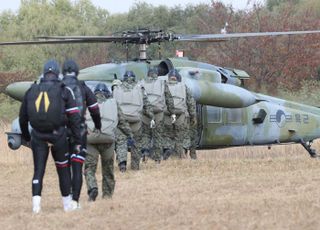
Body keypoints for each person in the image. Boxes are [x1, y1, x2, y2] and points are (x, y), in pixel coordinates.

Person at [19, 60, 82, 213]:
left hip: (38, 136)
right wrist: (77, 138)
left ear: (44, 73)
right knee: (63, 168)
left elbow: (23, 117)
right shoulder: (64, 90)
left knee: (38, 170)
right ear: (57, 74)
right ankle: (67, 205)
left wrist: (27, 137)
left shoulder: (31, 90)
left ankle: (36, 206)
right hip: (58, 135)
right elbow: (74, 117)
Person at [62, 59, 101, 209]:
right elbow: (95, 109)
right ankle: (75, 201)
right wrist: (98, 125)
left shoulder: (59, 87)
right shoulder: (82, 87)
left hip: (62, 132)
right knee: (77, 166)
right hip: (79, 131)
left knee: (64, 166)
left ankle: (67, 199)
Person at [84, 83, 133, 201]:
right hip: (108, 140)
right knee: (108, 169)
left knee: (89, 168)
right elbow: (122, 122)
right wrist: (130, 136)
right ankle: (107, 195)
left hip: (90, 140)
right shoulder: (113, 103)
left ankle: (92, 187)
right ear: (107, 94)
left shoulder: (86, 103)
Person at [113, 70, 154, 171]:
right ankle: (135, 166)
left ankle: (122, 164)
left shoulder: (117, 88)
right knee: (137, 142)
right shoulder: (139, 88)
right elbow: (146, 105)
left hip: (121, 120)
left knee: (121, 141)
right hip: (136, 120)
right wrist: (151, 117)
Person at [140, 67, 175, 163]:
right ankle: (157, 159)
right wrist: (172, 112)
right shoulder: (162, 83)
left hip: (146, 112)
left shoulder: (142, 83)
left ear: (148, 74)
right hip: (159, 112)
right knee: (158, 135)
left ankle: (145, 152)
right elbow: (169, 99)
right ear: (157, 74)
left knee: (146, 134)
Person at [163, 69, 196, 158]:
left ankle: (167, 150)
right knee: (181, 135)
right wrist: (193, 116)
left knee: (167, 135)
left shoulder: (163, 87)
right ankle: (181, 153)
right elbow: (191, 103)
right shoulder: (184, 87)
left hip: (167, 115)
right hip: (181, 116)